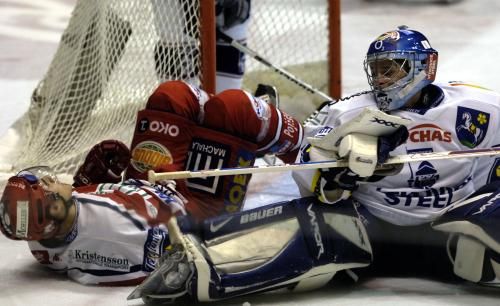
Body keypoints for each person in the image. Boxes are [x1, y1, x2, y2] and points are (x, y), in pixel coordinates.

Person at [128, 25, 500, 304]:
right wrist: (338, 174)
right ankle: (199, 263)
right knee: (313, 223)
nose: (383, 79)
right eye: (378, 70)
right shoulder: (346, 113)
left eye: (393, 69)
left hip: (451, 230)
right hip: (372, 229)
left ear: (425, 65)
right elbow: (308, 174)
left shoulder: (476, 107)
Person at [0, 80, 303, 286]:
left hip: (148, 187)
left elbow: (68, 226)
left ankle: (241, 132)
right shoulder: (114, 231)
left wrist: (88, 182)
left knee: (169, 97)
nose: (51, 178)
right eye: (48, 185)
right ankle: (306, 147)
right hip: (197, 206)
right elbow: (181, 248)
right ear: (53, 208)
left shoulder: (40, 237)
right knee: (234, 108)